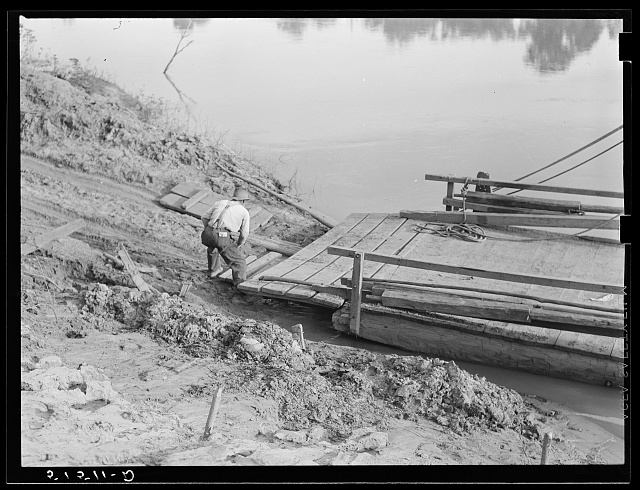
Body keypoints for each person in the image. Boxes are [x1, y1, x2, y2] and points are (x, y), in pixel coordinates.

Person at [200, 187, 251, 286]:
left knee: (213, 247)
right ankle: (239, 287)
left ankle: (214, 270)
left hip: (207, 233)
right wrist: (239, 243)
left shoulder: (220, 202)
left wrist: (210, 230)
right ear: (244, 200)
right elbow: (244, 233)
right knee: (239, 263)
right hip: (222, 236)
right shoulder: (243, 211)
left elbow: (204, 217)